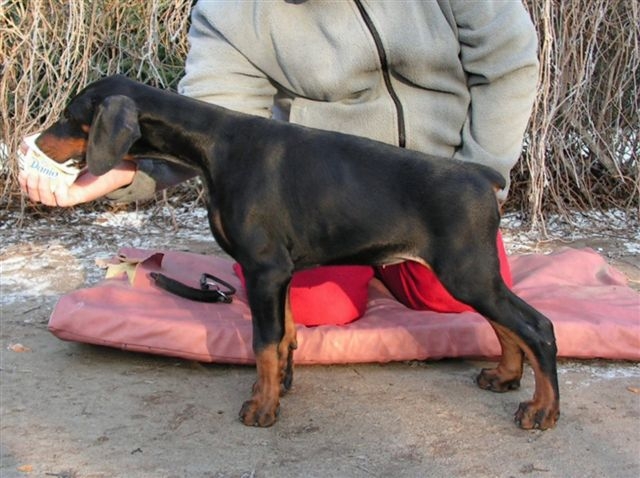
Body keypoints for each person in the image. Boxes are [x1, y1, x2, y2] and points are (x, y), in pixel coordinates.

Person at [19, 1, 539, 318]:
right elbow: (207, 127)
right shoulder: (228, 12)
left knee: (452, 299)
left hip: (435, 181)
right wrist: (117, 173)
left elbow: (508, 62)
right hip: (324, 197)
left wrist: (476, 176)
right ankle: (355, 266)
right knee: (316, 307)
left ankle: (394, 262)